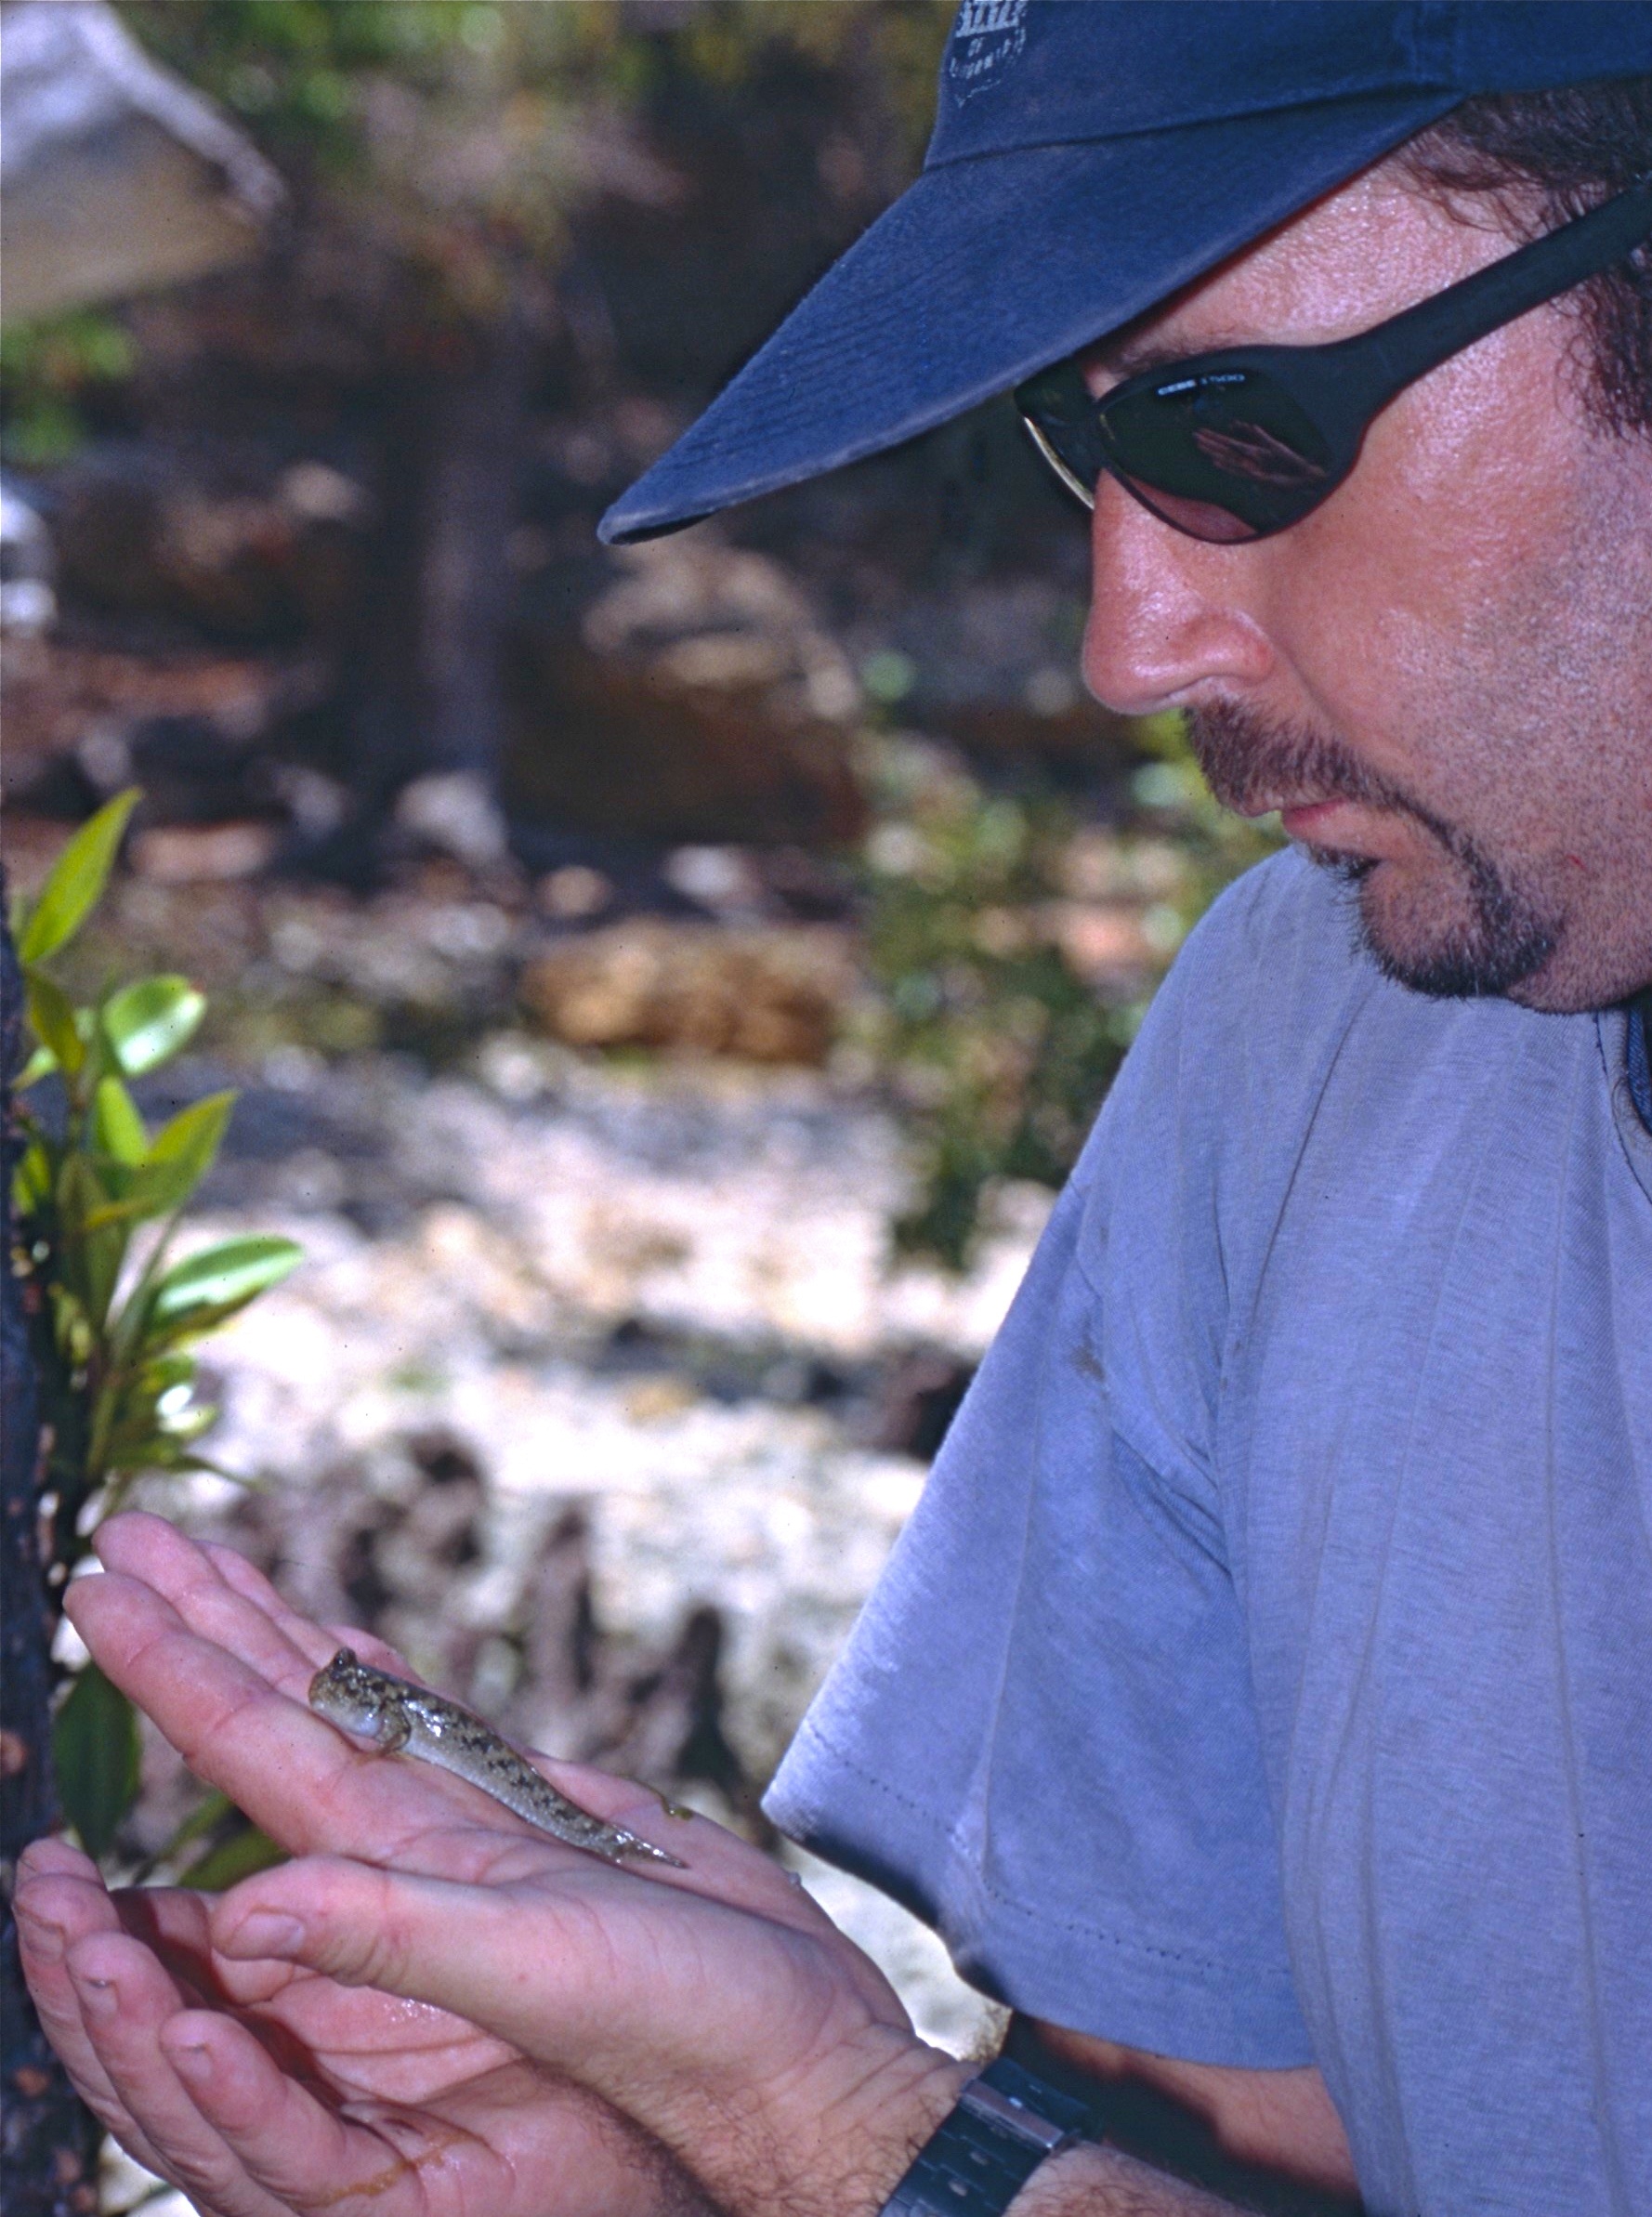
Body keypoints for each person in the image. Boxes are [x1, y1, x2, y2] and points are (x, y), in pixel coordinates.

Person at [18, 7, 1652, 2213]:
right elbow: (1233, 2147)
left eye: (1236, 431)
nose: (1126, 644)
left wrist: (836, 2131)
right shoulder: (1305, 1038)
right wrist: (694, 2166)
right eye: (1091, 457)